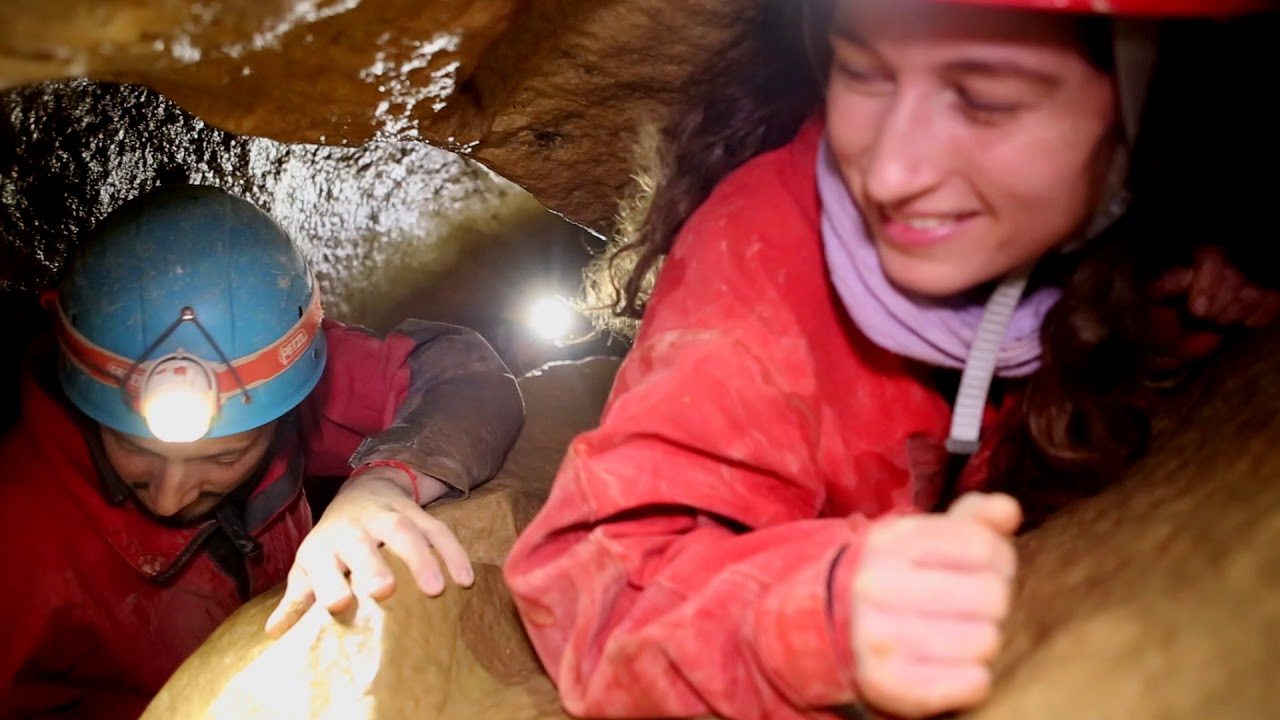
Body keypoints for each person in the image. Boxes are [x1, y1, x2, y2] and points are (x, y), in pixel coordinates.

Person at [504, 1, 1280, 719]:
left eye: (987, 100)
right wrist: (821, 616)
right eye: (864, 72)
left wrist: (1164, 330)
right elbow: (601, 594)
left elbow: (1053, 392)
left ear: (1139, 125)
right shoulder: (762, 270)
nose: (893, 172)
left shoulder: (1110, 247)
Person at [0, 184, 524, 718]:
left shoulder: (287, 389)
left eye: (225, 458)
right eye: (135, 450)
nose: (169, 497)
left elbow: (463, 373)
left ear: (285, 408)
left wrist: (381, 484)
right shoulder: (19, 534)